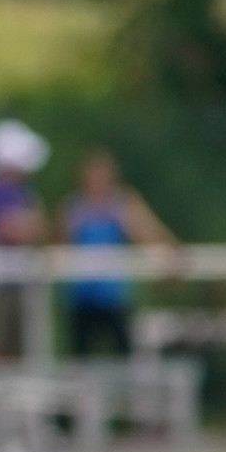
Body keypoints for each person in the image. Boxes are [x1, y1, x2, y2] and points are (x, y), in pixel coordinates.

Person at [60, 150, 177, 356]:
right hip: (82, 296)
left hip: (113, 297)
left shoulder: (122, 206)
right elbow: (58, 245)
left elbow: (148, 235)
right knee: (79, 359)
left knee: (123, 355)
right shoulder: (74, 208)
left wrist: (166, 255)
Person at [0, 118, 51, 360]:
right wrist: (26, 225)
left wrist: (26, 225)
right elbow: (4, 230)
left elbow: (40, 229)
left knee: (20, 346)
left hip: (19, 281)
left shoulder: (21, 192)